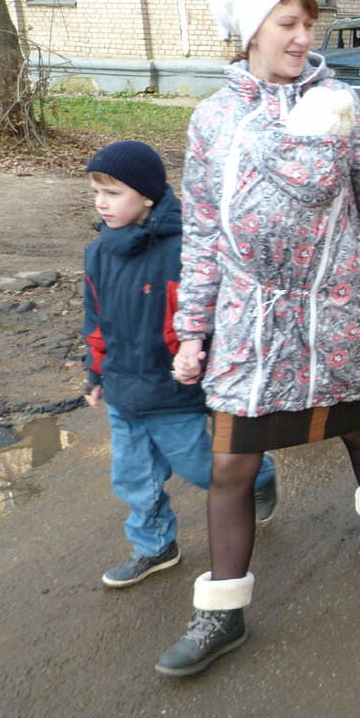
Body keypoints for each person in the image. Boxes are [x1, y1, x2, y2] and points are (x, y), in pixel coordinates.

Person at [156, 0, 360, 676]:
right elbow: (199, 232)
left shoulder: (339, 104)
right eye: (288, 23)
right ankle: (222, 610)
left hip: (334, 313)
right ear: (252, 29)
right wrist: (192, 329)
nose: (302, 36)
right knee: (231, 460)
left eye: (308, 23)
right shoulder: (213, 119)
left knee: (358, 428)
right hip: (250, 324)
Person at [82, 141, 279, 590]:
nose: (100, 202)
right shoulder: (98, 252)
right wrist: (95, 371)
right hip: (122, 391)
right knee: (133, 476)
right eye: (96, 191)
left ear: (147, 196)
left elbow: (214, 314)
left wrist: (207, 362)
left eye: (112, 192)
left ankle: (259, 474)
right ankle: (154, 546)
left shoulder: (185, 248)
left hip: (173, 391)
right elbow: (95, 320)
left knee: (202, 469)